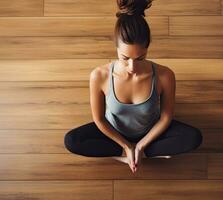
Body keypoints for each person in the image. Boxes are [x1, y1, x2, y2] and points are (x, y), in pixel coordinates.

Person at [64, 0, 202, 173]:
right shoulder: (99, 76)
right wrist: (126, 146)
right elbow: (99, 119)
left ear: (147, 49)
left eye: (140, 59)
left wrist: (141, 145)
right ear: (116, 47)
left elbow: (165, 118)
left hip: (151, 133)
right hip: (115, 133)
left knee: (193, 138)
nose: (132, 67)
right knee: (72, 141)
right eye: (125, 58)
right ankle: (132, 154)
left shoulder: (165, 75)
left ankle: (136, 154)